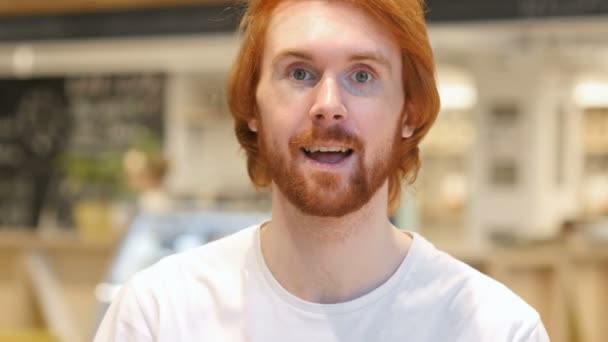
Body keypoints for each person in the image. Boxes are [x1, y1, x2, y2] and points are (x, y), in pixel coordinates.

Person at [94, 0, 550, 341]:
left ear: (409, 113)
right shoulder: (159, 315)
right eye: (299, 73)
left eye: (363, 75)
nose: (328, 106)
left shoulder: (496, 329)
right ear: (253, 105)